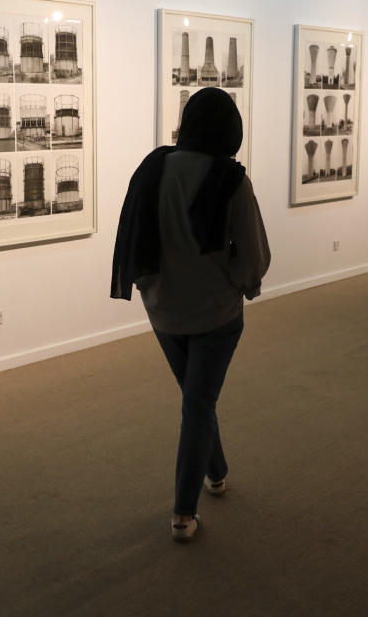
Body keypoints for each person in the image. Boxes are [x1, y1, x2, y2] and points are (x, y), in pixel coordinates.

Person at [110, 87, 270, 542]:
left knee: (197, 398)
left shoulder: (154, 166)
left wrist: (148, 288)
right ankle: (183, 513)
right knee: (198, 401)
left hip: (163, 311)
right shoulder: (231, 178)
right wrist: (245, 284)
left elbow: (132, 236)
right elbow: (254, 254)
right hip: (216, 314)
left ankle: (216, 472)